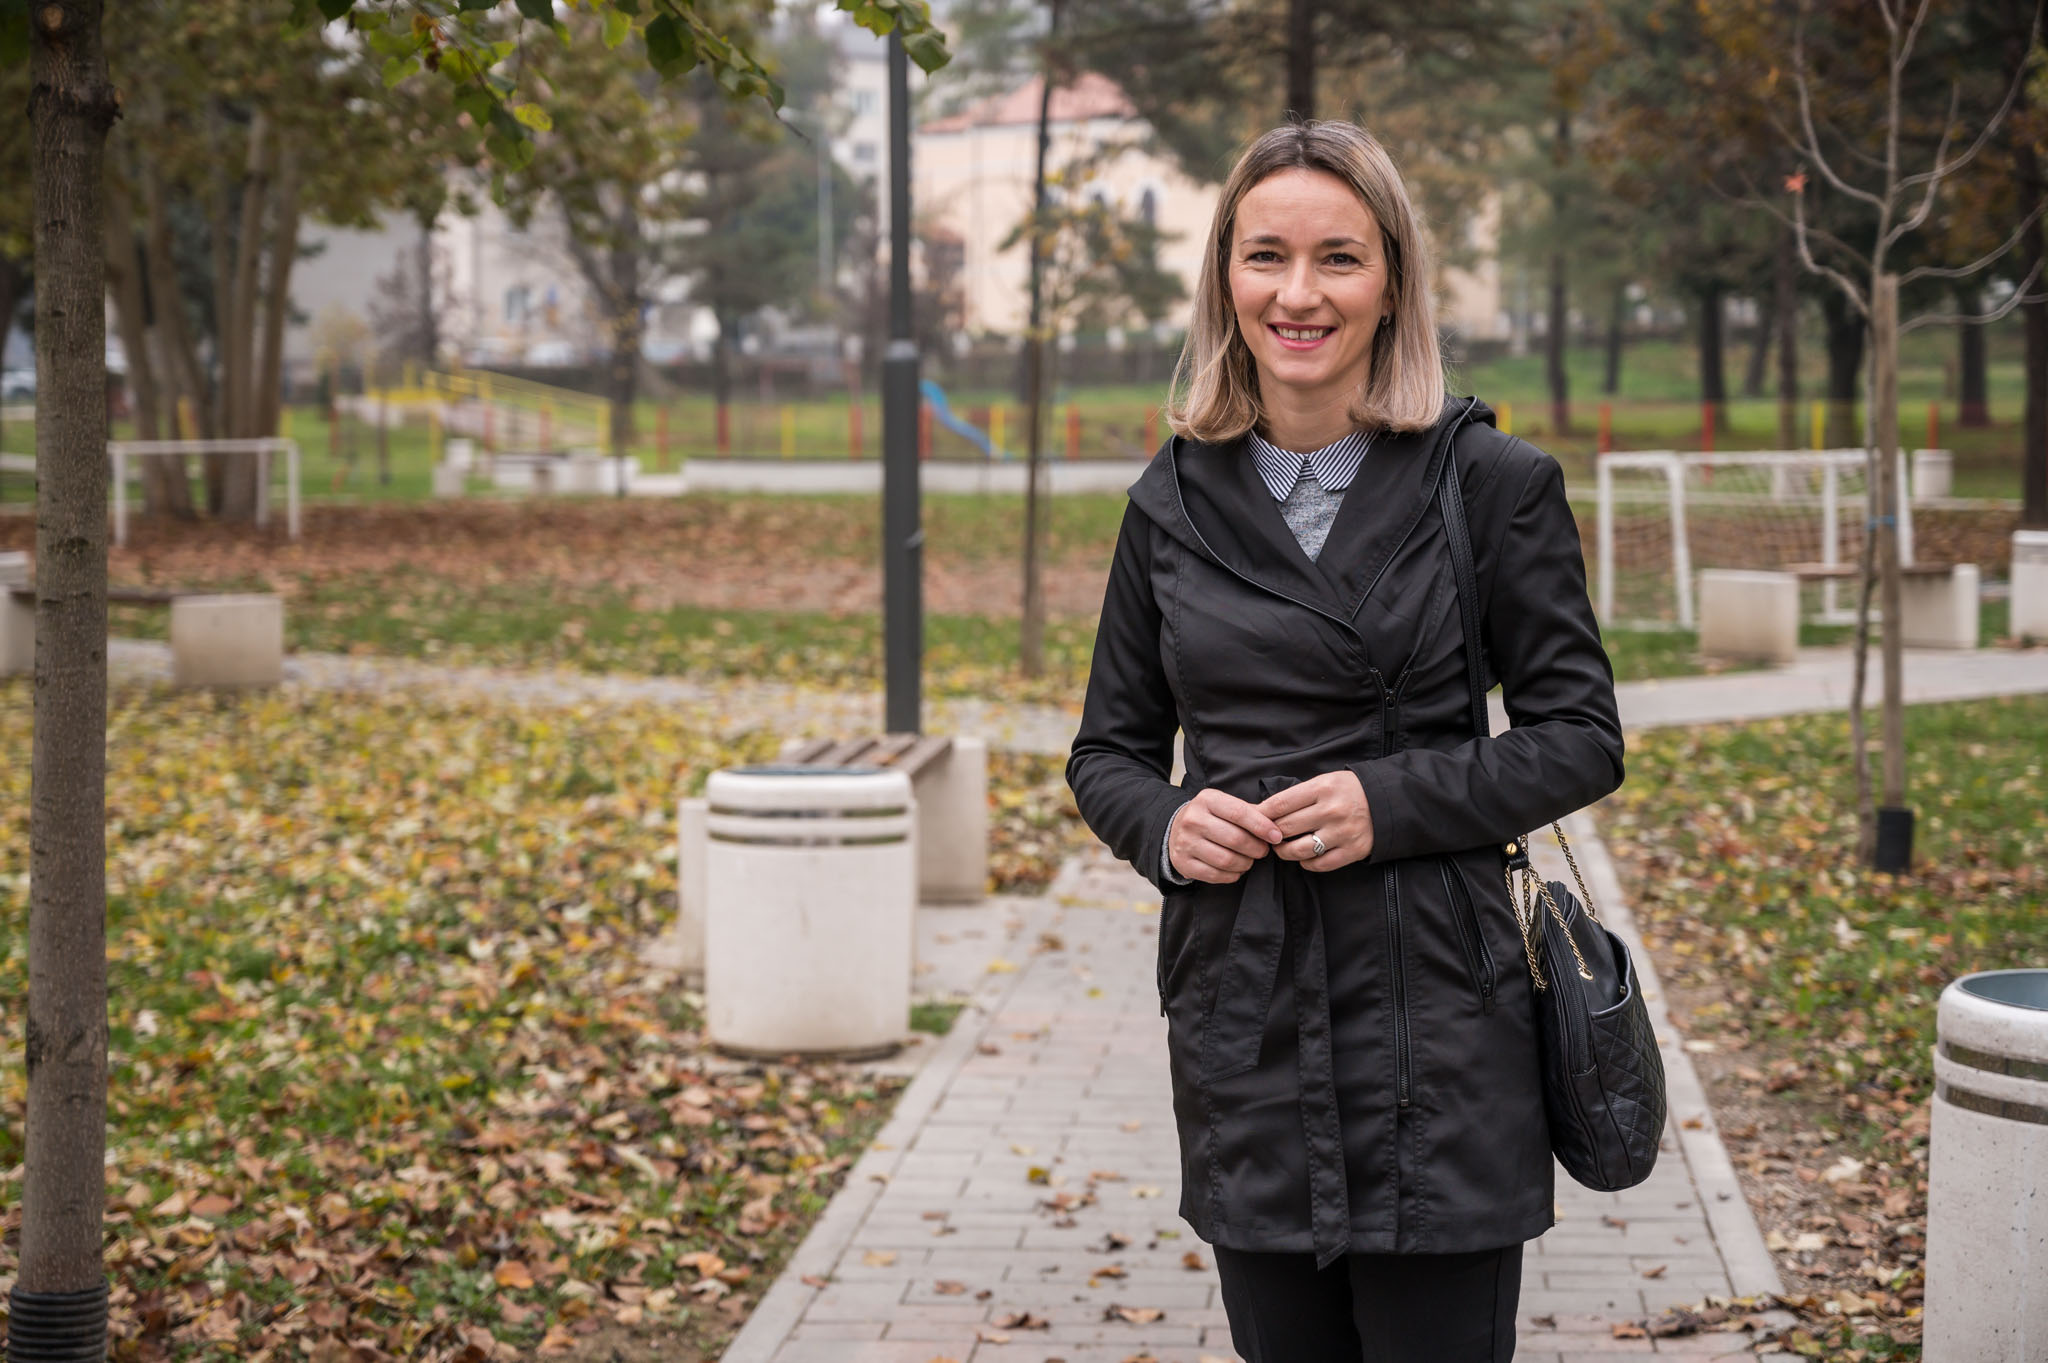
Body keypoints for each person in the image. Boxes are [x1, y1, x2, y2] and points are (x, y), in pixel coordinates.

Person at [1064, 121, 1625, 1363]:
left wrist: (1393, 802)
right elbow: (1103, 751)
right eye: (1266, 257)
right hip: (1243, 1016)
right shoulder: (1167, 501)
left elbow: (1581, 736)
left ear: (1391, 284)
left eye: (1338, 259)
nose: (1298, 294)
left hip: (1439, 1012)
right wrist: (1163, 824)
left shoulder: (1487, 482)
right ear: (1224, 277)